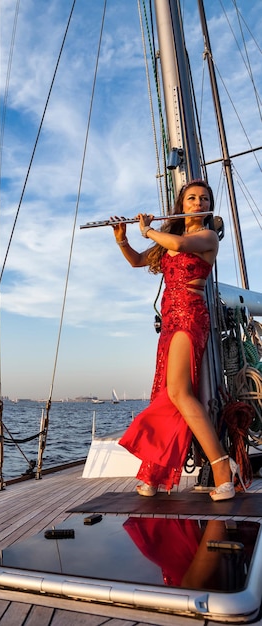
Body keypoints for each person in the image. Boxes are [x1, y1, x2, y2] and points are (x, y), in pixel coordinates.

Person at [111, 179, 245, 501]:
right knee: (167, 395)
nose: (197, 203)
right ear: (181, 205)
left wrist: (148, 231)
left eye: (203, 199)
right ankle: (155, 473)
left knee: (181, 394)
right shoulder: (170, 238)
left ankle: (223, 468)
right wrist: (123, 241)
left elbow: (182, 247)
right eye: (191, 198)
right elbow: (137, 261)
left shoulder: (207, 237)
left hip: (191, 315)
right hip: (170, 319)